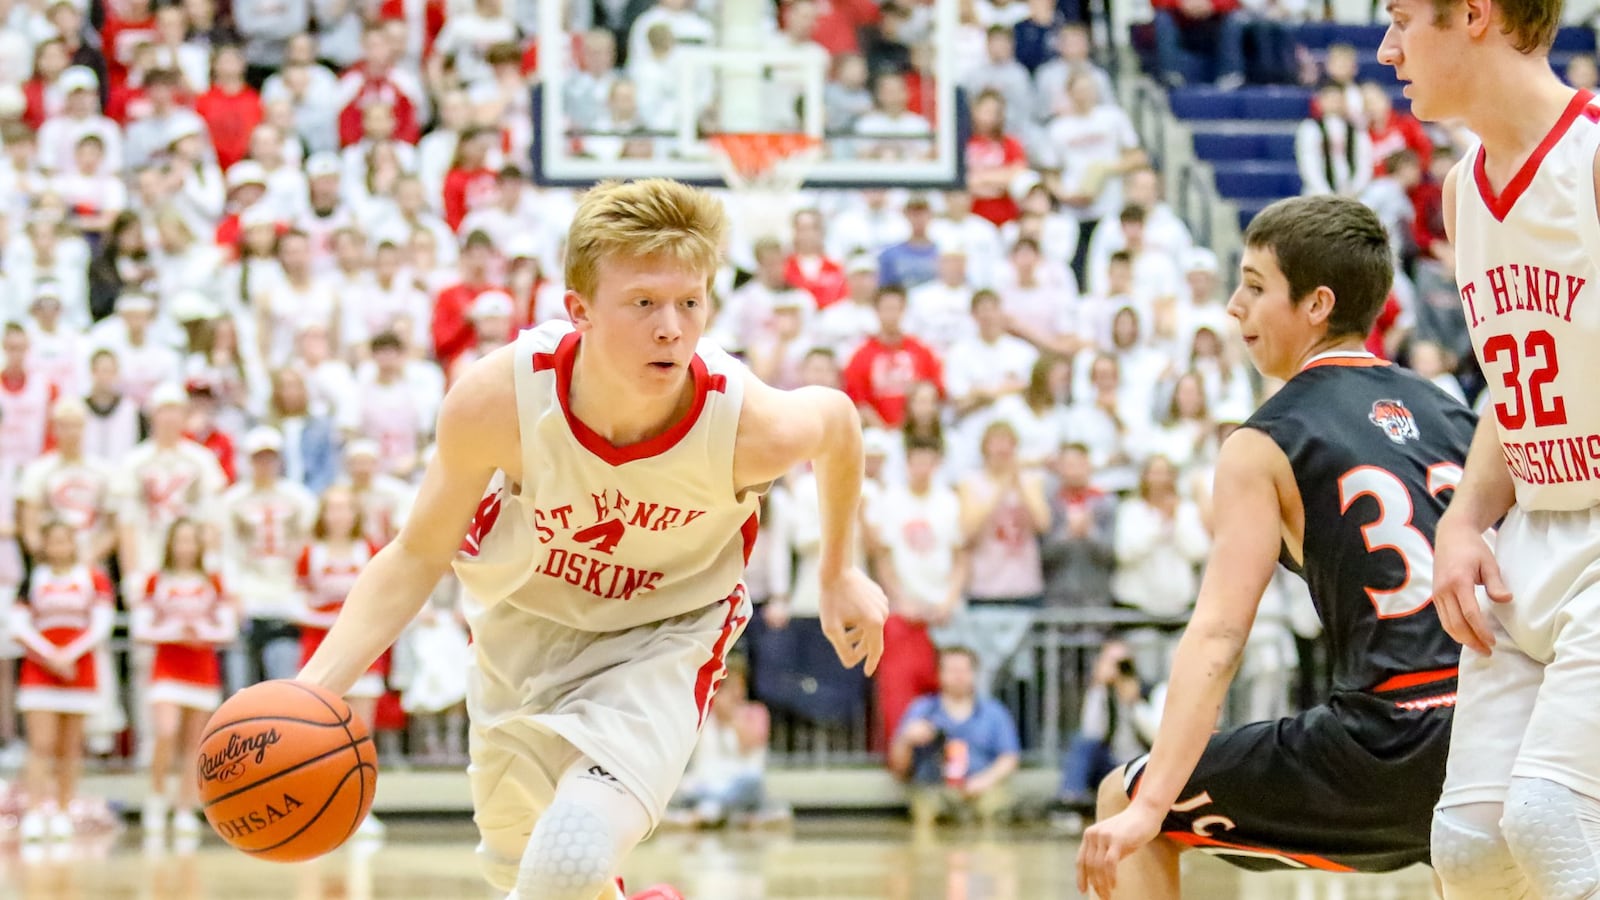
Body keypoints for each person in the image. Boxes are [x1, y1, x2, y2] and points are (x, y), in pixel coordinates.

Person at [297, 178, 888, 900]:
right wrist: (312, 689)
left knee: (570, 855)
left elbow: (836, 422)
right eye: (643, 303)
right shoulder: (500, 400)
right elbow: (418, 553)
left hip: (664, 637)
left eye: (690, 303)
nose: (671, 327)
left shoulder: (743, 423)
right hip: (521, 635)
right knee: (543, 879)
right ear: (578, 311)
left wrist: (838, 571)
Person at [1075, 195, 1473, 899]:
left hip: (1387, 748)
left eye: (1256, 287)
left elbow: (1222, 633)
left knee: (1123, 796)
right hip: (1493, 729)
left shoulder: (1265, 441)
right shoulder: (1448, 409)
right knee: (1470, 855)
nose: (1235, 307)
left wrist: (1148, 803)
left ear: (1316, 305)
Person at [1379, 2, 1600, 895]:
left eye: (1399, 20)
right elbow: (1514, 391)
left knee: (1551, 818)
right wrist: (1467, 518)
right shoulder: (1464, 189)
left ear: (1473, 14)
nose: (1388, 49)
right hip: (1531, 533)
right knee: (1471, 846)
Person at [132, 518, 238, 838]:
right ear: (170, 545)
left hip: (202, 668)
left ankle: (185, 807)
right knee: (165, 731)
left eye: (192, 541)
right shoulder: (155, 580)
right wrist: (177, 632)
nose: (186, 547)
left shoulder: (215, 581)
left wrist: (200, 633)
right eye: (180, 541)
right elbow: (141, 628)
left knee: (196, 743)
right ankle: (156, 796)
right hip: (167, 666)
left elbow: (227, 628)